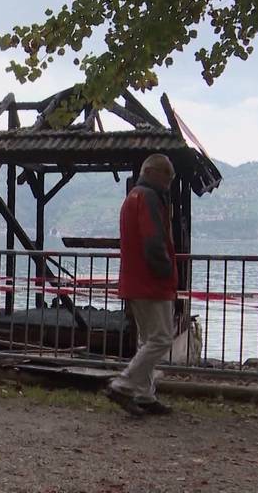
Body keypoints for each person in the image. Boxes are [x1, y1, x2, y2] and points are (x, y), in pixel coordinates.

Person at [104, 153, 178, 416]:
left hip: (134, 279)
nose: (170, 183)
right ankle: (123, 384)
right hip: (151, 281)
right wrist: (165, 270)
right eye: (168, 177)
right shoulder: (149, 198)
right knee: (161, 338)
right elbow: (153, 241)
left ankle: (145, 394)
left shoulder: (132, 198)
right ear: (154, 173)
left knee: (147, 338)